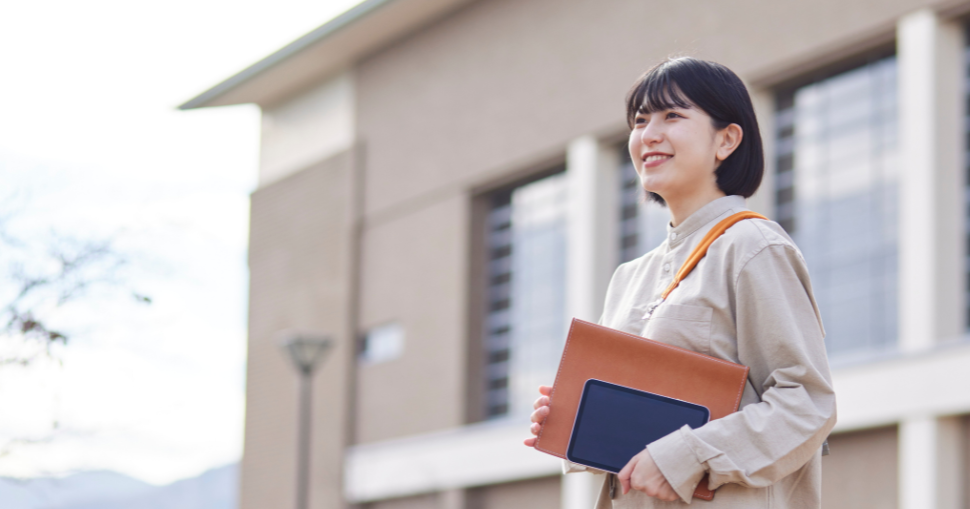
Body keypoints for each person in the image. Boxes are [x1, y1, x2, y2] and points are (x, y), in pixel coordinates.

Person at [523, 57, 836, 508]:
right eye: (640, 120)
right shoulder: (629, 277)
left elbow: (806, 402)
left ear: (726, 140)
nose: (649, 134)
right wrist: (573, 418)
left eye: (672, 116)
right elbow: (637, 430)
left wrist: (688, 455)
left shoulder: (752, 246)